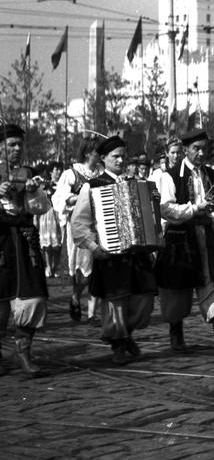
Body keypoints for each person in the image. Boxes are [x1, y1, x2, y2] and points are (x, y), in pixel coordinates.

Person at [70, 136, 157, 365]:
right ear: (103, 159)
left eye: (122, 156)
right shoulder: (92, 186)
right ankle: (118, 343)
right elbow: (79, 223)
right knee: (115, 303)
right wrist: (93, 246)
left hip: (137, 253)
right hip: (110, 255)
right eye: (115, 156)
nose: (120, 160)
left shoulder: (136, 182)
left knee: (145, 300)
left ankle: (126, 333)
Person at [154, 129, 214, 352]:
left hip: (207, 235)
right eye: (196, 148)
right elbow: (166, 209)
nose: (200, 153)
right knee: (177, 287)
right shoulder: (169, 175)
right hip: (180, 236)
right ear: (186, 150)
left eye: (204, 148)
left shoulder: (211, 173)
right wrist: (194, 209)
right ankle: (176, 330)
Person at [0, 124, 52, 376]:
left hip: (24, 242)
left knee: (34, 298)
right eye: (11, 144)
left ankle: (23, 351)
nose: (17, 149)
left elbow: (41, 208)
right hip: (0, 243)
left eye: (20, 144)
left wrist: (32, 191)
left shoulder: (29, 173)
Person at [52, 137, 103, 324]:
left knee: (97, 268)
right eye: (98, 152)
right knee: (83, 271)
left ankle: (92, 314)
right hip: (80, 226)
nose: (100, 156)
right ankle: (75, 296)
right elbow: (60, 198)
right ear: (89, 153)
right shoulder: (71, 173)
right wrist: (81, 196)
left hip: (100, 226)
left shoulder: (102, 173)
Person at [37, 162, 63, 277]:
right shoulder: (44, 185)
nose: (58, 172)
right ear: (51, 172)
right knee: (47, 245)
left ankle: (55, 267)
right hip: (46, 214)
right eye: (55, 169)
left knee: (58, 244)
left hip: (59, 215)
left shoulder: (63, 185)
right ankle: (48, 266)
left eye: (59, 169)